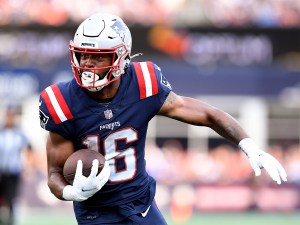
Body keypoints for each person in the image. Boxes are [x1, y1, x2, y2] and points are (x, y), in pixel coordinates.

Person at [38, 13, 287, 225]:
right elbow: (53, 174)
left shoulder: (144, 83)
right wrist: (71, 191)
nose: (88, 64)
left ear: (121, 58)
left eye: (99, 56)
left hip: (141, 204)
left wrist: (250, 146)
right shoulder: (61, 102)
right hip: (95, 214)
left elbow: (207, 114)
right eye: (83, 55)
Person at [0, 106, 32, 225]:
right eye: (8, 115)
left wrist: (27, 167)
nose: (10, 118)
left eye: (12, 115)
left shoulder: (19, 134)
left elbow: (29, 149)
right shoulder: (1, 131)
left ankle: (11, 222)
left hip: (13, 172)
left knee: (11, 199)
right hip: (0, 171)